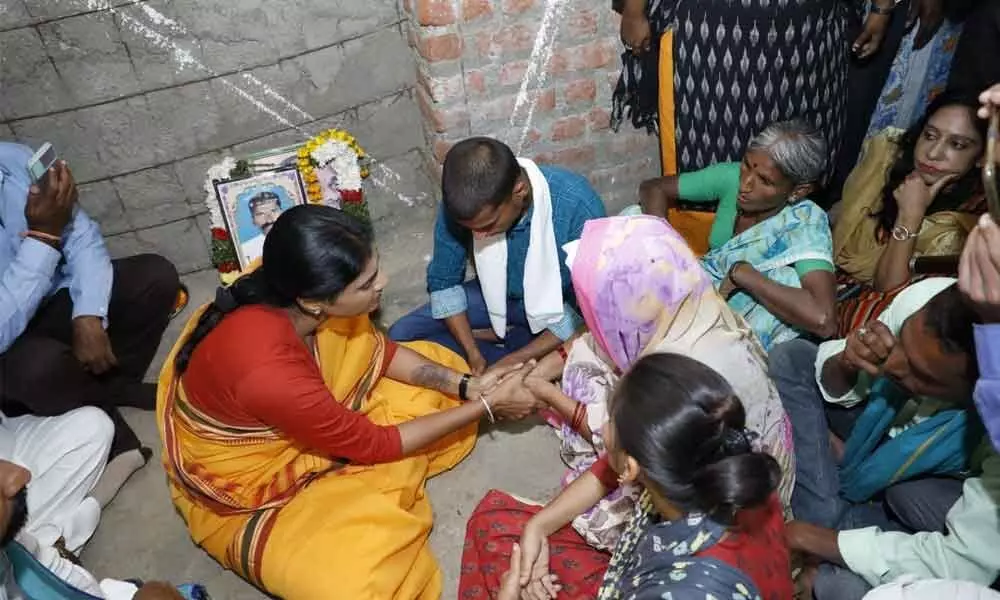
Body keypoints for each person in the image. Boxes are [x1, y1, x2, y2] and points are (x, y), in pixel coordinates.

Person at [157, 205, 539, 599]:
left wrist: (467, 386)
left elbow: (380, 353)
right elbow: (376, 445)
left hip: (308, 413)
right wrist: (487, 407)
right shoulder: (270, 371)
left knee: (439, 374)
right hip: (253, 481)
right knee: (360, 581)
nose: (384, 283)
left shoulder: (293, 286)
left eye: (376, 270)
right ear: (314, 302)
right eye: (366, 283)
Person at [519, 215, 794, 551]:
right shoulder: (695, 307)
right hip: (740, 466)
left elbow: (621, 455)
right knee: (587, 353)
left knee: (602, 513)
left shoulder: (672, 372)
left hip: (726, 493)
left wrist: (546, 393)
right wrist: (538, 525)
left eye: (600, 304)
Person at [460, 353, 794, 600]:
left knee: (504, 562)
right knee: (498, 524)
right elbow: (605, 469)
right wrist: (539, 527)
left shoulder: (684, 590)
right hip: (644, 573)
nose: (602, 428)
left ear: (632, 468)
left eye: (609, 422)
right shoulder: (730, 458)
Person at [770, 276, 1000, 599]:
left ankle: (829, 523)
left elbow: (960, 562)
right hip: (875, 430)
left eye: (921, 373)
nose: (893, 363)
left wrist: (816, 539)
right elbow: (837, 383)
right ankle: (835, 516)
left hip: (938, 482)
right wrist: (847, 363)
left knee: (844, 582)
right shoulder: (922, 300)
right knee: (792, 358)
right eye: (902, 343)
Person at [0, 144, 180, 498]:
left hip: (50, 297)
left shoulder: (14, 160)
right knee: (38, 368)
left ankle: (109, 384)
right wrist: (43, 236)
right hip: (8, 345)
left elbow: (83, 239)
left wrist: (89, 313)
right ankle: (111, 429)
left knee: (155, 277)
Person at [388, 137, 606, 373]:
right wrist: (472, 353)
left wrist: (515, 359)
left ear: (519, 191)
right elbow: (444, 283)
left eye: (488, 225)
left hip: (555, 309)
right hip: (493, 297)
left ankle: (507, 353)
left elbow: (583, 313)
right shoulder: (463, 205)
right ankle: (497, 349)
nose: (479, 237)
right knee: (401, 337)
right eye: (472, 228)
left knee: (522, 369)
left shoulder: (577, 206)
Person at [636, 119, 837, 350]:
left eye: (765, 181)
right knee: (635, 218)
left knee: (786, 280)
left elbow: (824, 319)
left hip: (733, 319)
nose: (746, 184)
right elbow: (652, 188)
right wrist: (667, 248)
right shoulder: (732, 177)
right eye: (747, 164)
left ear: (797, 191)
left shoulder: (803, 222)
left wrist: (743, 274)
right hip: (696, 289)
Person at [614, 0, 849, 174]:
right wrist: (634, 11)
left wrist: (882, 7)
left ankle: (800, 225)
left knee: (800, 151)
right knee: (710, 150)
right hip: (714, 36)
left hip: (810, 37)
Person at [833, 90, 988, 292]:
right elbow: (839, 222)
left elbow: (887, 290)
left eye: (957, 145)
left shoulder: (967, 225)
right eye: (930, 136)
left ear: (981, 157)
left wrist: (910, 216)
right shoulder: (885, 156)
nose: (933, 153)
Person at [0, 456, 204, 599]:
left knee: (95, 425)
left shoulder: (14, 546)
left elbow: (56, 573)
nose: (19, 475)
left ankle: (79, 518)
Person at [239, 191, 283, 262]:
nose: (269, 219)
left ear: (282, 212)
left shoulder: (299, 238)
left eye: (273, 211)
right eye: (260, 214)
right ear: (253, 220)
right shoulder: (245, 251)